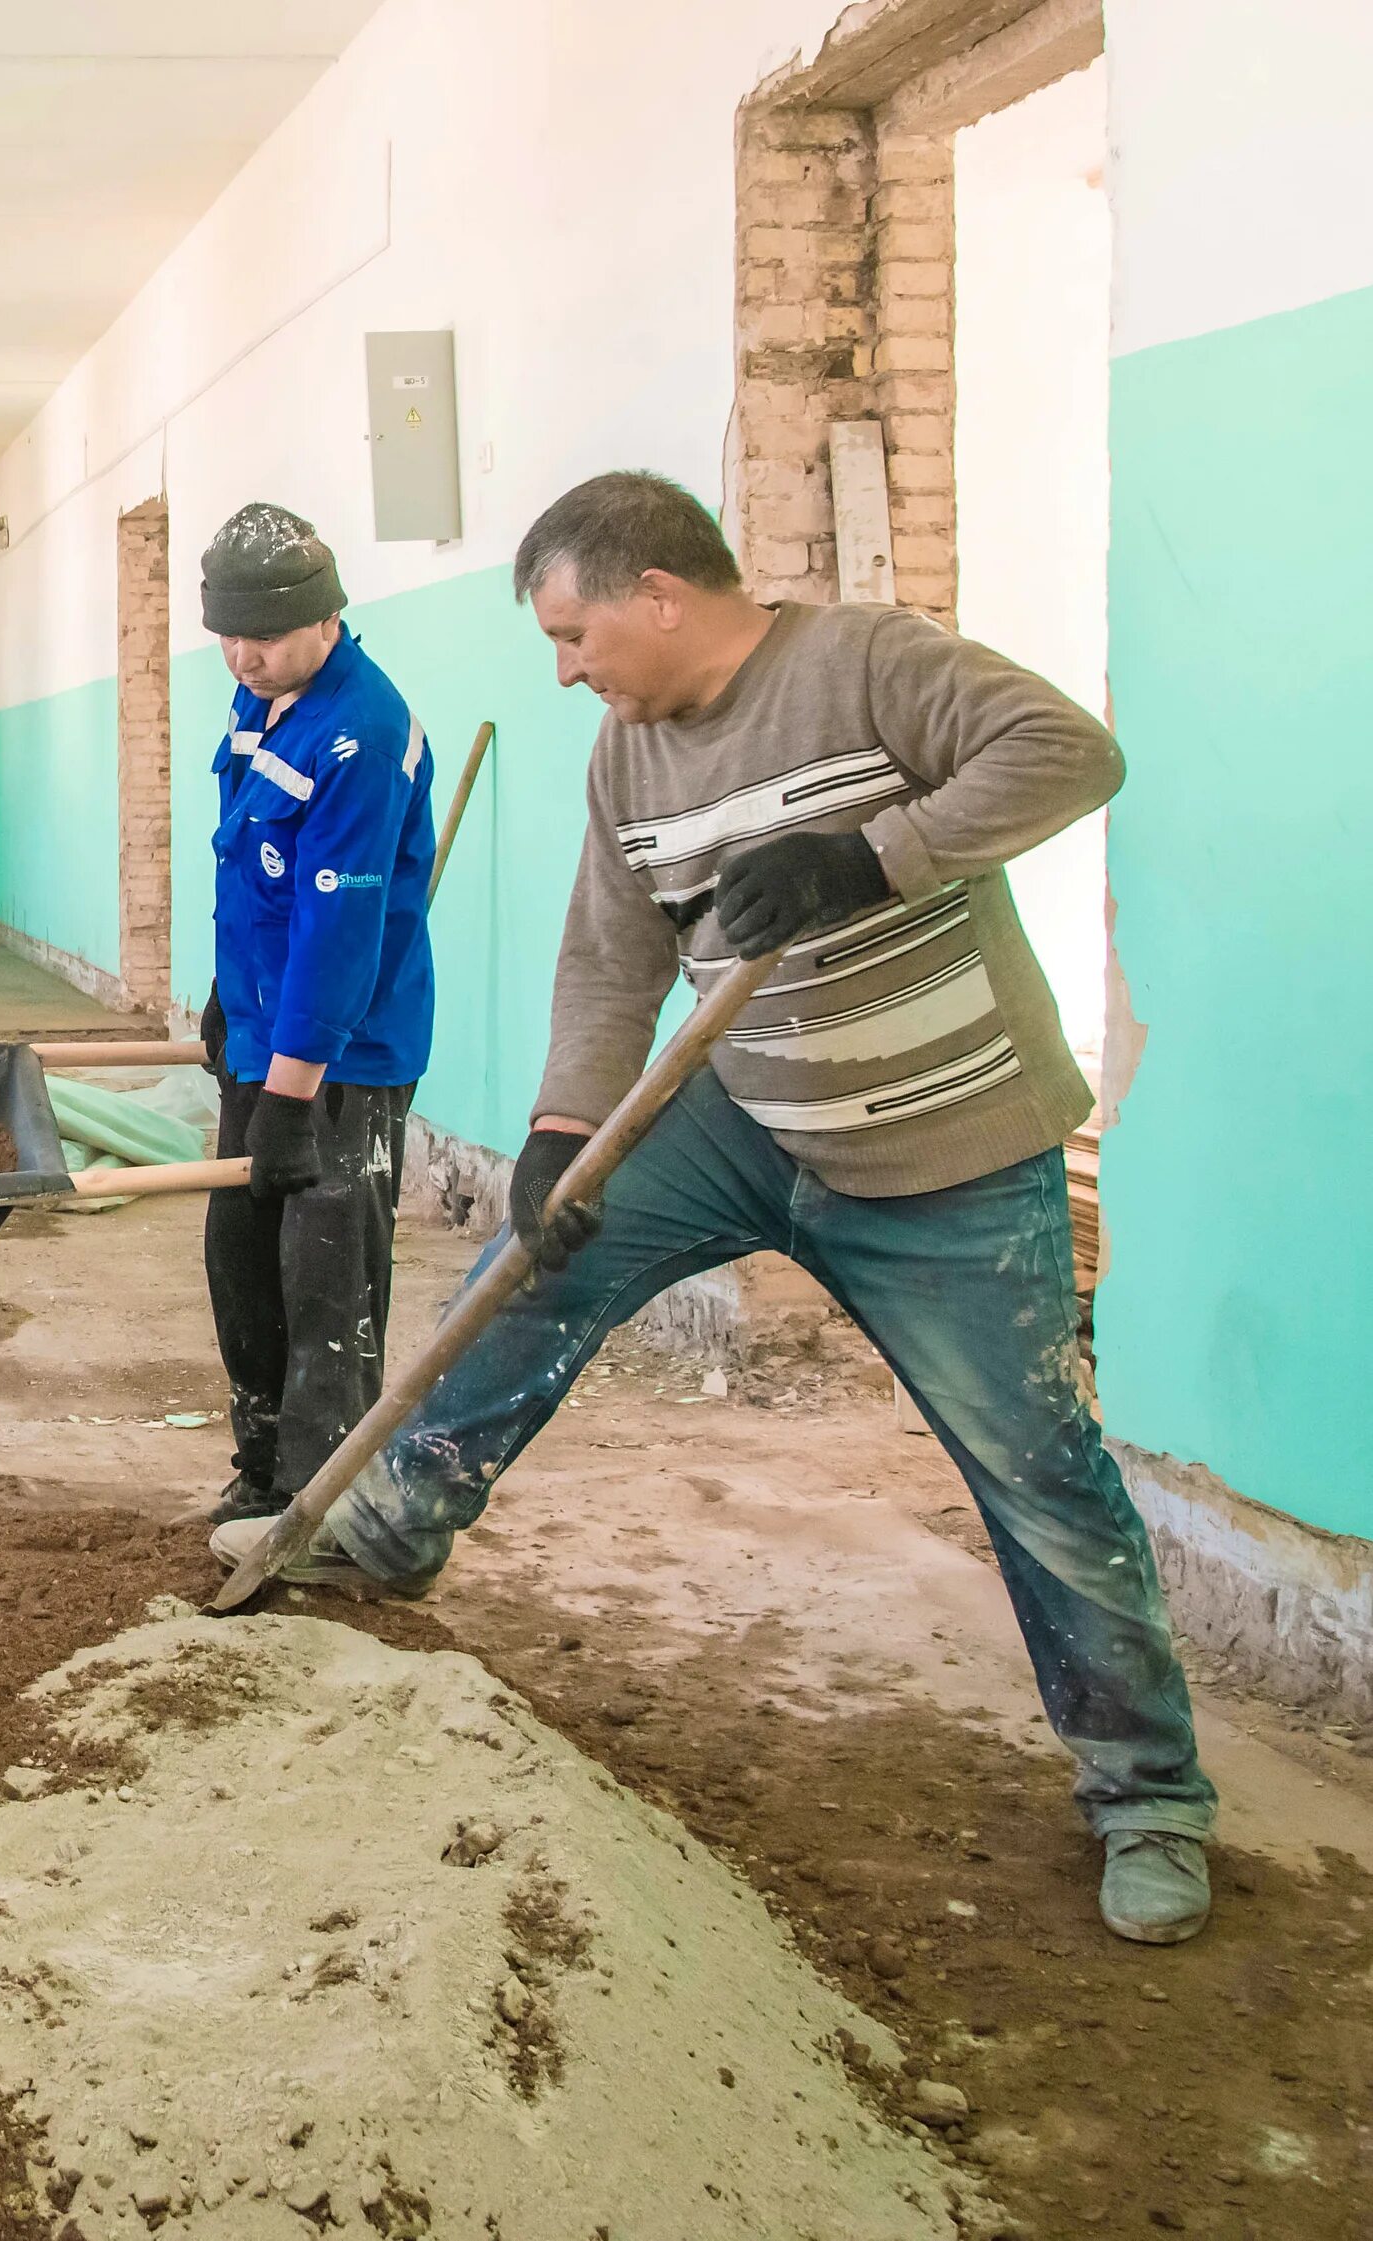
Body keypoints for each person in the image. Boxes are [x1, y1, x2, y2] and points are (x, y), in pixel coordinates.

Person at [213, 470, 1216, 1944]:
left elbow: (1072, 753)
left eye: (571, 634)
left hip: (947, 1149)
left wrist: (871, 855)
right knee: (529, 1265)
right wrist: (562, 1132)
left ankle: (1150, 1795)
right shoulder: (629, 758)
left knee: (1038, 1466)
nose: (564, 670)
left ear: (657, 596)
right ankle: (396, 1520)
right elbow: (610, 961)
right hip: (743, 1116)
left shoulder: (869, 664)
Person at [193, 504, 436, 1528]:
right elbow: (259, 879)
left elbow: (340, 930)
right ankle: (261, 1468)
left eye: (266, 636)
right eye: (229, 637)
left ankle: (320, 1505)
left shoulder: (361, 734)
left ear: (328, 617)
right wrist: (227, 998)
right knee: (240, 1260)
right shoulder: (266, 703)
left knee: (323, 1286)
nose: (244, 657)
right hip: (268, 1036)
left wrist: (292, 1095)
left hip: (339, 1057)